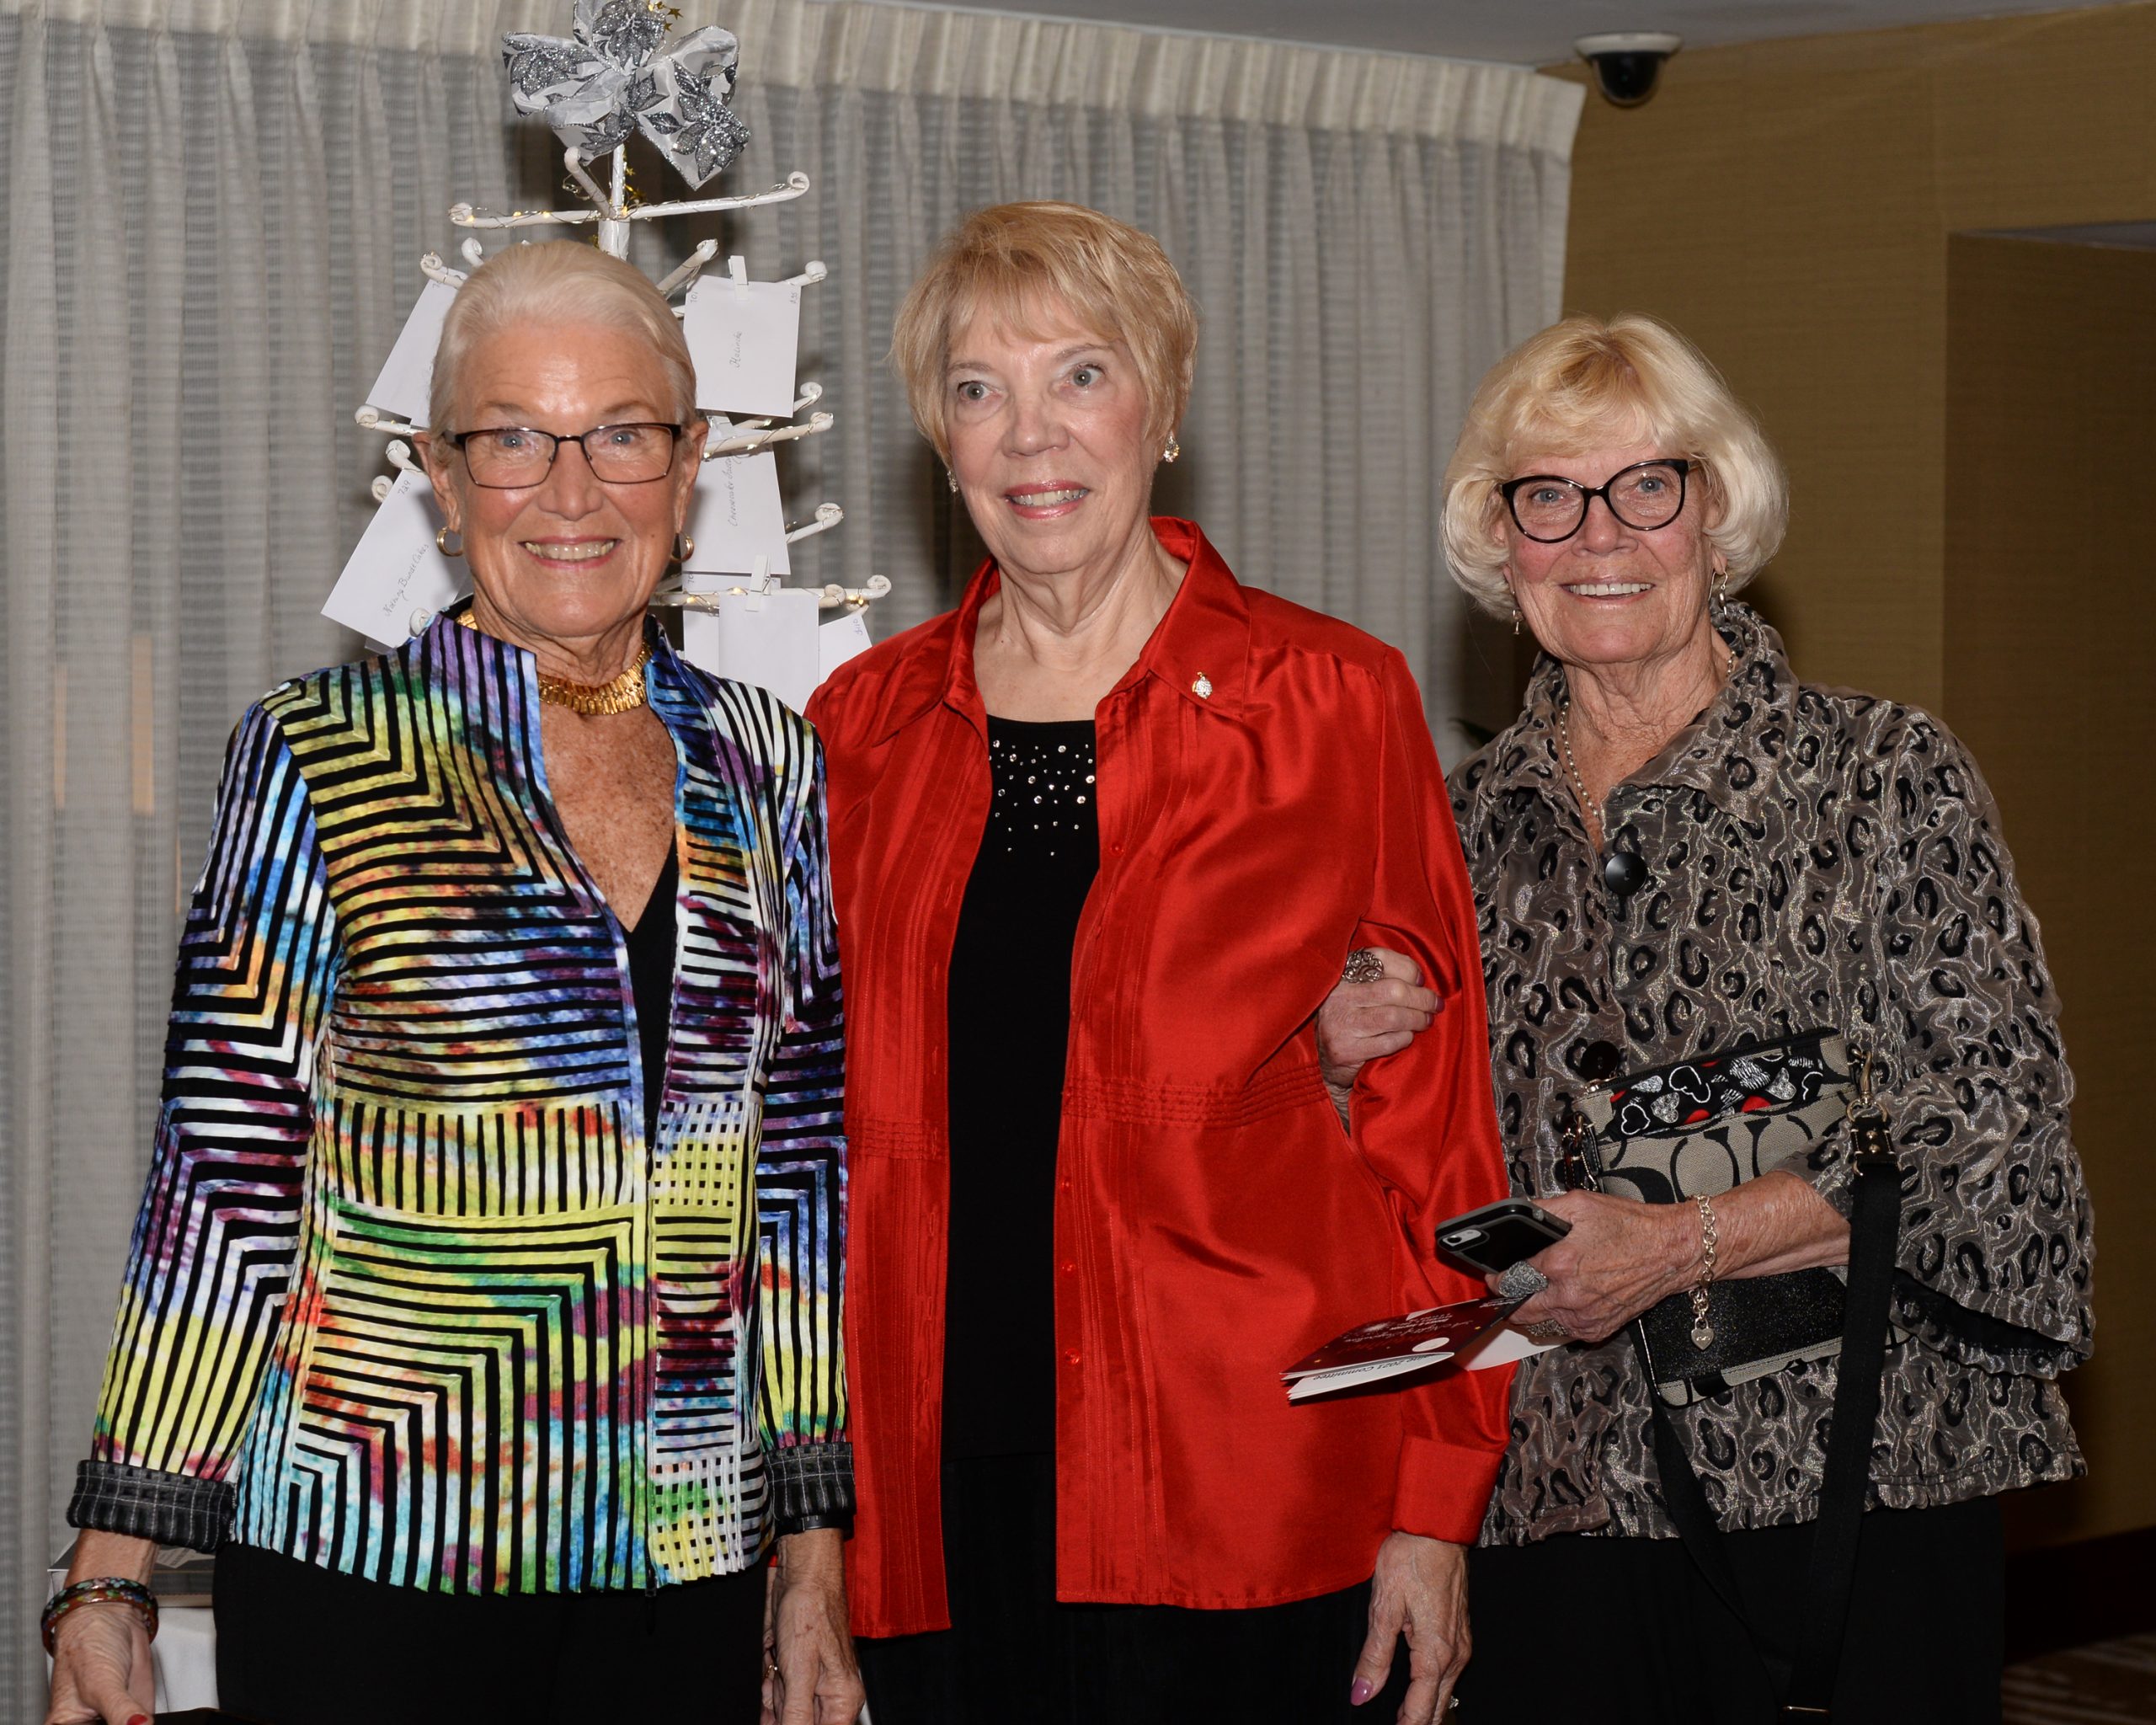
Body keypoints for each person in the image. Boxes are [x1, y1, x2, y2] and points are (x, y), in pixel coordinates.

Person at [44, 243, 861, 1725]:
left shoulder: (767, 762)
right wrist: (112, 1570)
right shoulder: (321, 752)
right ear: (439, 473)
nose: (571, 491)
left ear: (688, 468)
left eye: (622, 434)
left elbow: (797, 1177)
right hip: (377, 1558)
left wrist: (812, 1549)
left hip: (683, 1560)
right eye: (512, 439)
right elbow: (224, 1171)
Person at [1321, 312, 2094, 1723]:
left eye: (1646, 485)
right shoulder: (1449, 828)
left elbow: (1995, 1132)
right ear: (1499, 543)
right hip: (1551, 1499)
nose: (1599, 535)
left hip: (1858, 1489)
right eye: (1548, 497)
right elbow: (1397, 1193)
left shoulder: (1880, 778)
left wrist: (1680, 1246)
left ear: (1718, 517)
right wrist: (1327, 1067)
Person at [805, 201, 1510, 1725]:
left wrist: (1438, 1501)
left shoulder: (1332, 702)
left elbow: (1441, 1138)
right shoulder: (860, 728)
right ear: (939, 437)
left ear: (1164, 407)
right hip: (934, 1501)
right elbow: (803, 1145)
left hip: (1249, 1488)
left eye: (1082, 374)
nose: (1031, 434)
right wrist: (809, 1534)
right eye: (979, 390)